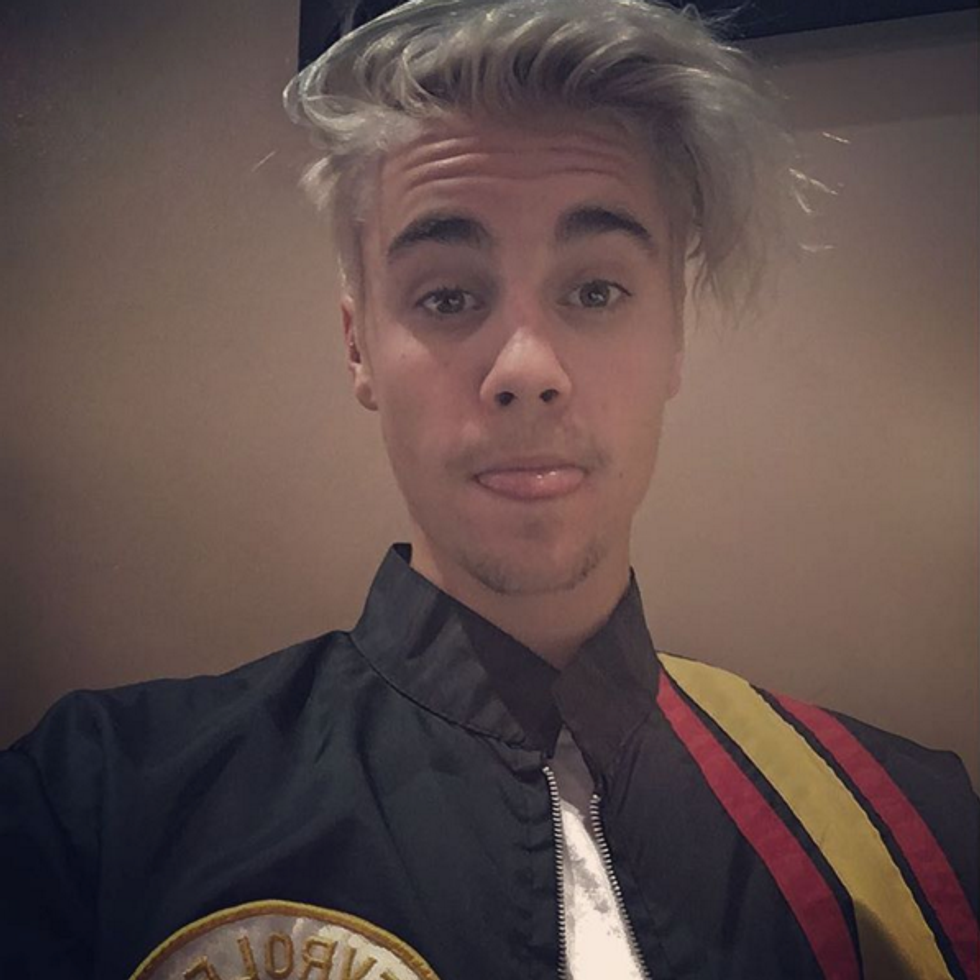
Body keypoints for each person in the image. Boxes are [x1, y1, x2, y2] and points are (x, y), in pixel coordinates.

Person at [2, 0, 977, 977]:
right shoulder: (96, 807)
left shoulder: (912, 833)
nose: (526, 367)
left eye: (594, 290)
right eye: (448, 295)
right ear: (358, 346)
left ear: (673, 334)